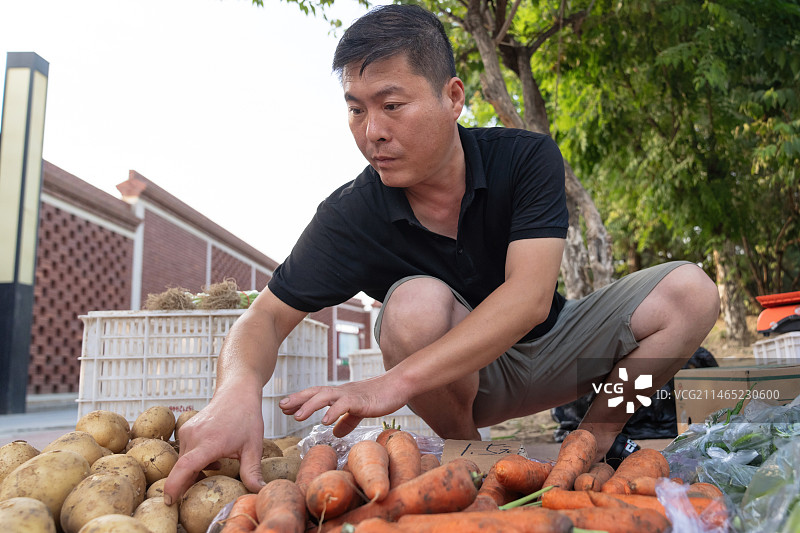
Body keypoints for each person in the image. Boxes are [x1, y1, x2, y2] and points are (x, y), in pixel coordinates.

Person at [163, 4, 720, 503]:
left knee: (690, 291)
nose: (372, 132)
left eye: (392, 105)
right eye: (356, 110)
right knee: (413, 305)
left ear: (453, 97)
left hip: (562, 354)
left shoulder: (524, 159)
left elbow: (527, 300)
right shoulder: (349, 216)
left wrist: (390, 385)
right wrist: (235, 390)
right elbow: (264, 317)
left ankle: (593, 440)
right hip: (466, 388)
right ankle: (473, 462)